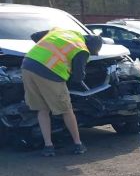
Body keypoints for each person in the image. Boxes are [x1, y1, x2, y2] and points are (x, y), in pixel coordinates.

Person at [21, 27, 103, 157]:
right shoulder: (82, 49)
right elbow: (78, 77)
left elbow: (36, 35)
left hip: (27, 65)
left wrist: (46, 53)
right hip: (49, 72)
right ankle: (78, 144)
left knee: (42, 109)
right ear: (90, 47)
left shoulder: (62, 31)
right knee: (66, 109)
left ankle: (48, 147)